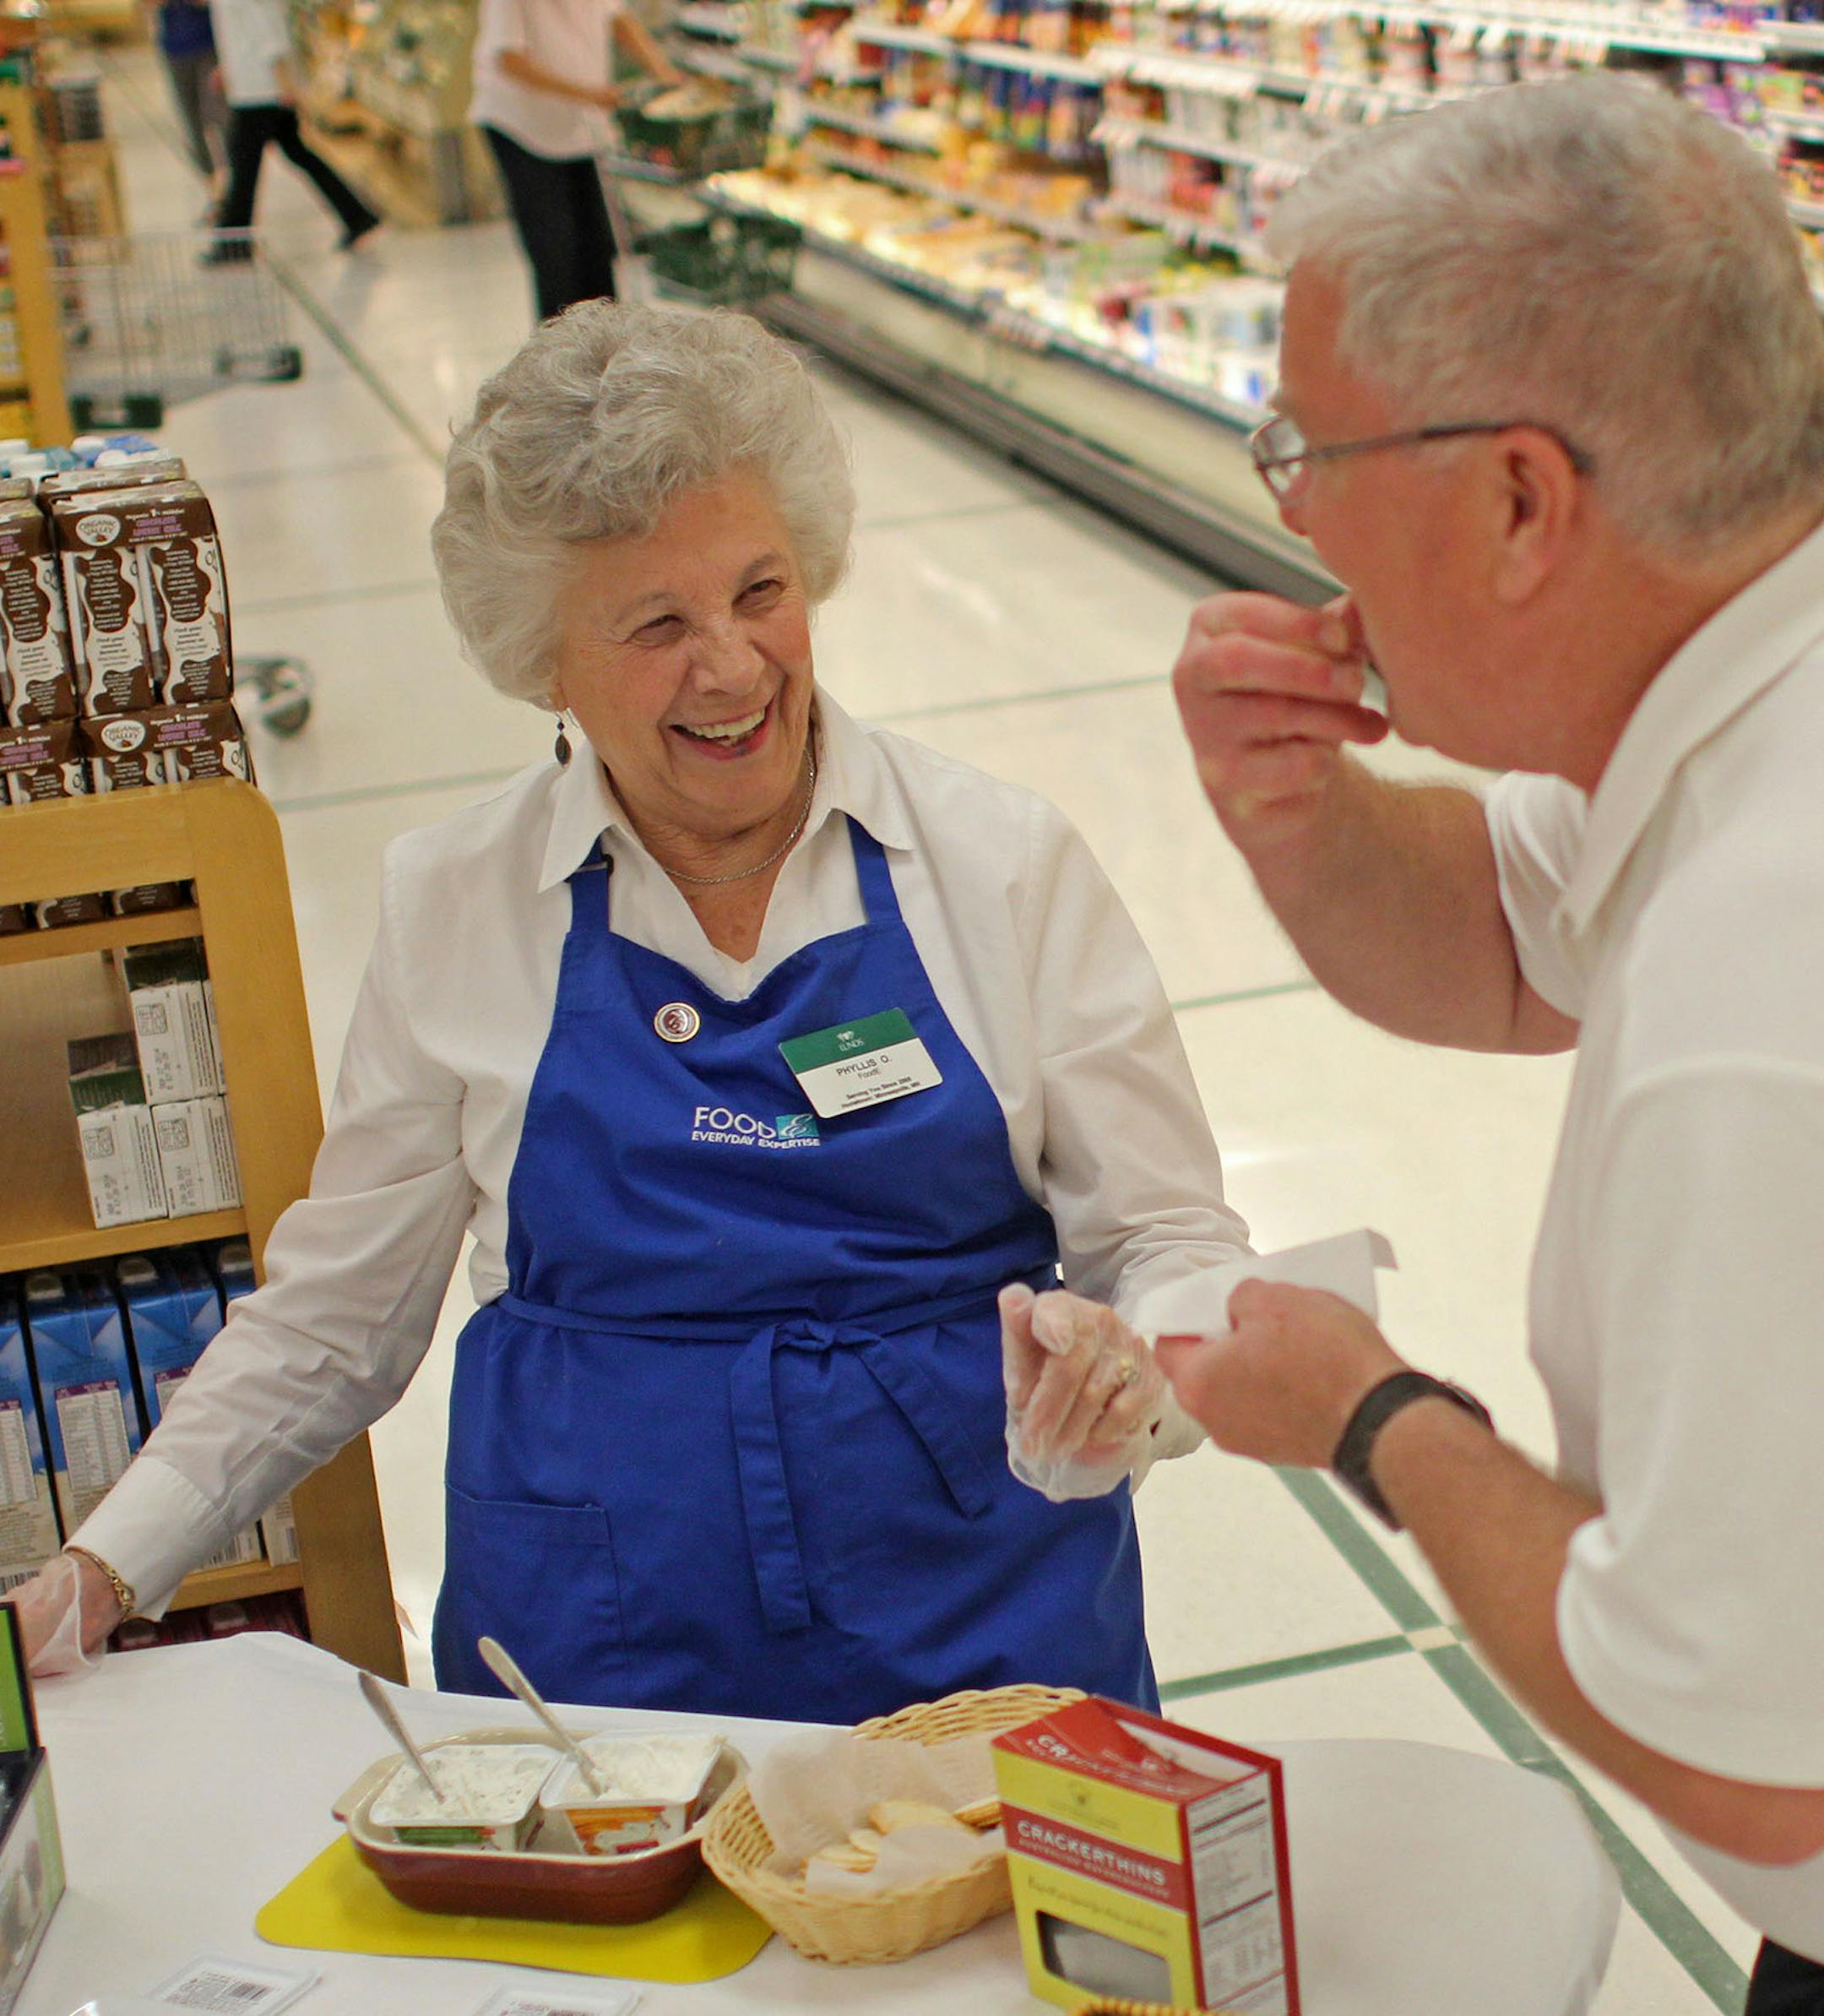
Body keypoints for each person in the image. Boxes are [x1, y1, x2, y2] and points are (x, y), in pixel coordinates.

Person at [19, 303, 1250, 1725]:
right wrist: (104, 1568)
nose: (730, 666)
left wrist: (1140, 1359)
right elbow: (336, 1319)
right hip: (597, 1658)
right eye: (656, 624)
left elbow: (1167, 1237)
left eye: (761, 591)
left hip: (984, 1617)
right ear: (538, 659)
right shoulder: (459, 904)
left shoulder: (1002, 864)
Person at [1150, 73, 1824, 2013]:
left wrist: (1367, 1415)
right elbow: (1508, 944)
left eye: (1304, 451)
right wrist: (1291, 811)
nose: (1284, 511)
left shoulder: (1750, 992)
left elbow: (1748, 1759)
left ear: (1517, 498)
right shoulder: (1736, 693)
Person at [470, 0, 681, 323]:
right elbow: (508, 59)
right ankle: (559, 361)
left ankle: (606, 351)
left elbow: (618, 20)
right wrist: (587, 94)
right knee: (557, 253)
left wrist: (663, 73)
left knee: (599, 248)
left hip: (581, 126)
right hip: (521, 125)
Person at [207, 0, 379, 253]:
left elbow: (270, 33)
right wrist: (230, 67)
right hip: (254, 86)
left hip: (263, 91)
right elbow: (242, 31)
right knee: (294, 153)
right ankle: (355, 216)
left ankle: (234, 240)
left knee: (245, 162)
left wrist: (284, 83)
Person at [150, 0, 226, 196]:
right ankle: (214, 189)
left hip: (208, 46)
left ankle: (230, 182)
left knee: (217, 114)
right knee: (191, 123)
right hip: (175, 50)